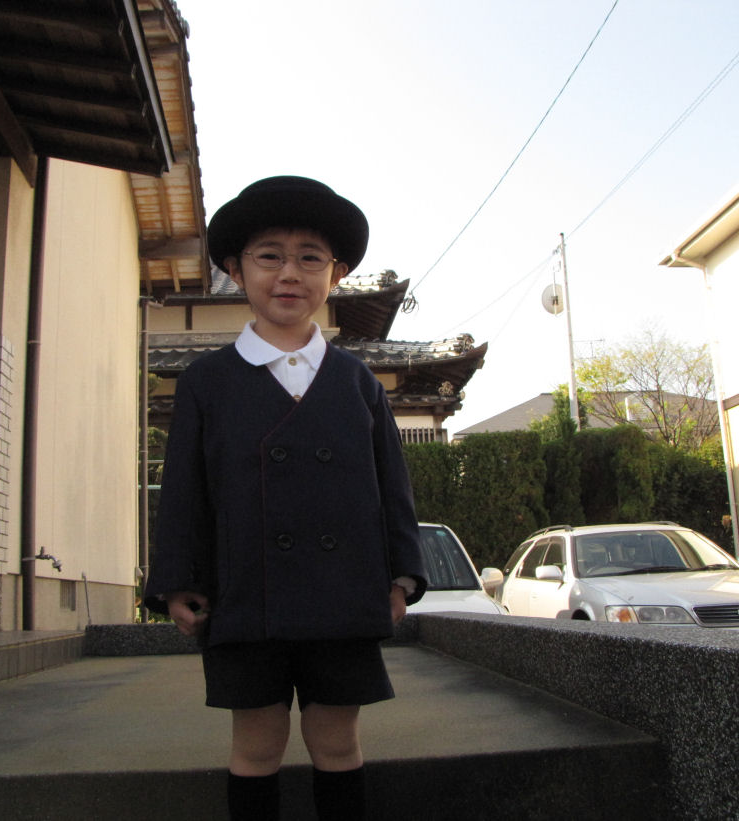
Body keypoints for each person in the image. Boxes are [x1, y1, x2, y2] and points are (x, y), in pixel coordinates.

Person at [144, 175, 427, 820]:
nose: (289, 273)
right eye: (269, 256)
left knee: (337, 741)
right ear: (235, 269)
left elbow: (393, 489)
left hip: (343, 592)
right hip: (245, 593)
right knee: (256, 744)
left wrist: (403, 576)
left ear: (337, 273)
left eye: (310, 258)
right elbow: (184, 492)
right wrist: (179, 580)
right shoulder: (205, 382)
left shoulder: (358, 382)